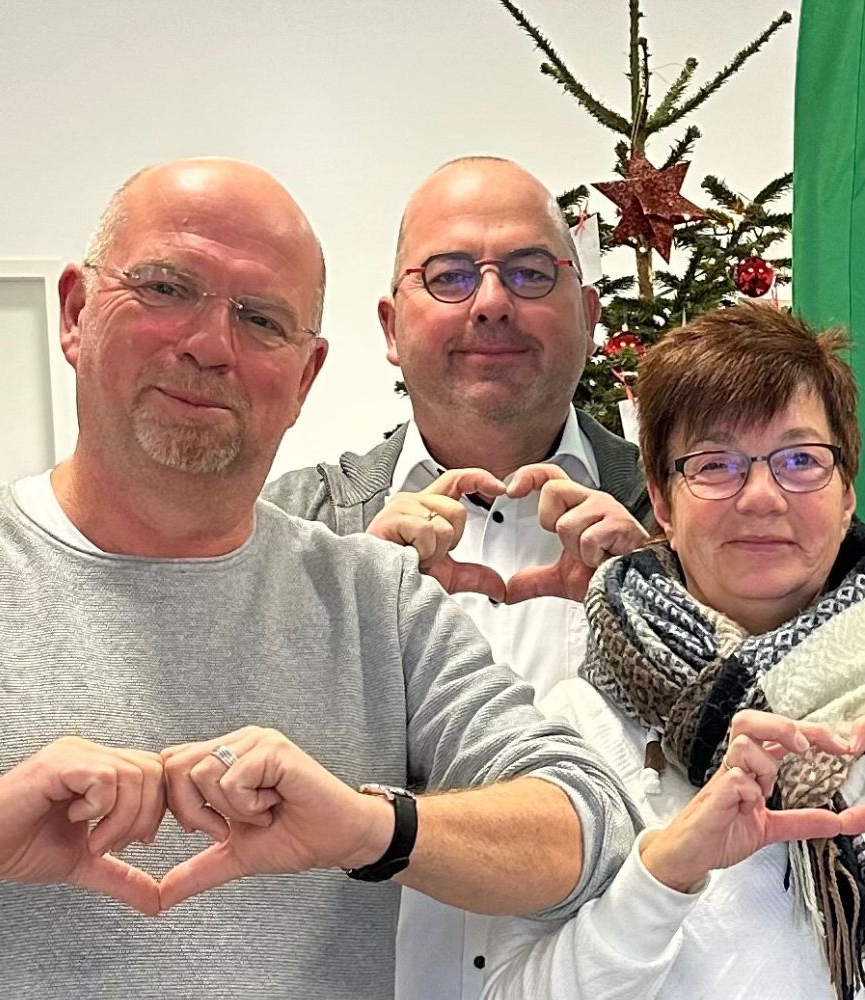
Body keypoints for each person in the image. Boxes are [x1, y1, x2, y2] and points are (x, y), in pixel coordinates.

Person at [0, 159, 635, 1000]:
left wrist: (371, 828)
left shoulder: (375, 597)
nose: (210, 346)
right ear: (75, 313)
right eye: (167, 288)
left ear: (306, 376)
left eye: (260, 319)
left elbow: (588, 822)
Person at [482, 304, 865, 999]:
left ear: (847, 494)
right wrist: (664, 878)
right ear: (663, 502)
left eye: (801, 460)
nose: (763, 496)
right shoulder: (583, 726)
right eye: (716, 464)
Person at [264, 155, 649, 1000]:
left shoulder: (687, 516)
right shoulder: (288, 524)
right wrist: (345, 603)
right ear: (390, 324)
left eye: (529, 271)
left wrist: (662, 601)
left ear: (587, 315)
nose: (491, 301)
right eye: (448, 276)